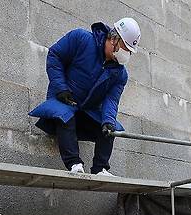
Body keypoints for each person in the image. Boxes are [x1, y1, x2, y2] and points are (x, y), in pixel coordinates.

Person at [29, 18, 141, 175]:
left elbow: (111, 100)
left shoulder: (120, 74)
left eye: (129, 50)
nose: (126, 53)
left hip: (88, 111)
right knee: (65, 115)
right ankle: (74, 164)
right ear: (114, 38)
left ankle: (100, 168)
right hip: (64, 100)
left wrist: (108, 121)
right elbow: (55, 56)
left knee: (111, 127)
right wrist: (61, 88)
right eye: (125, 48)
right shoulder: (81, 39)